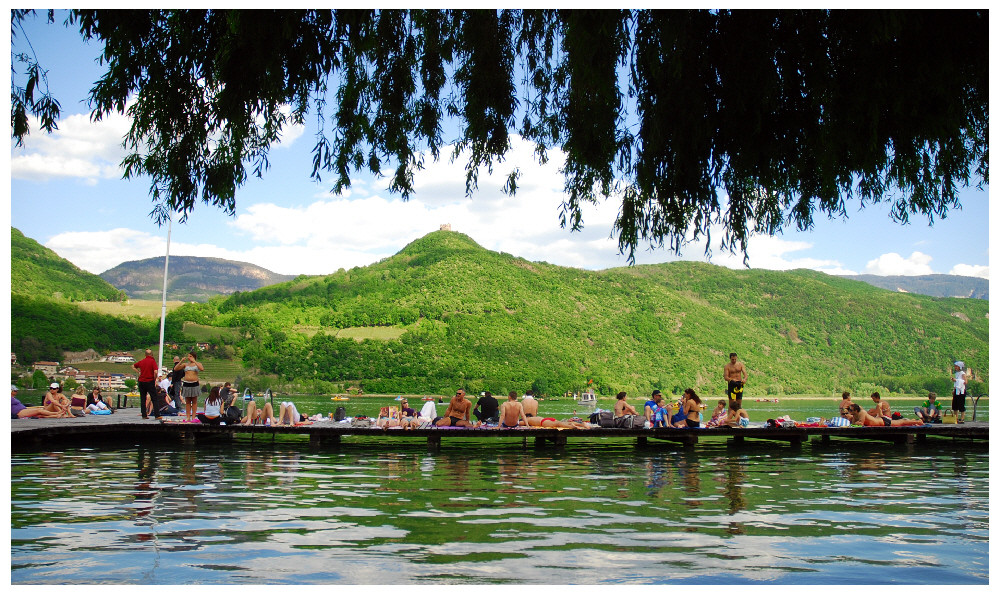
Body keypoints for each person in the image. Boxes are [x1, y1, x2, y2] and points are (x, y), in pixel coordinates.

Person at [174, 351, 204, 421]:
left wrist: (194, 361)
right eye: (188, 356)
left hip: (194, 383)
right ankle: (188, 417)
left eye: (190, 356)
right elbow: (176, 368)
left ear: (194, 357)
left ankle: (193, 416)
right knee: (187, 401)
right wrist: (181, 361)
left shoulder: (198, 364)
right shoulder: (185, 364)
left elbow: (202, 369)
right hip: (187, 383)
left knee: (194, 401)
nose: (189, 358)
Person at [846, 403, 922, 427]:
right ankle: (913, 421)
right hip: (879, 421)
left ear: (856, 410)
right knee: (901, 422)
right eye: (849, 410)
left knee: (901, 422)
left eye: (851, 410)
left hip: (883, 422)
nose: (849, 411)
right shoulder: (855, 415)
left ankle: (919, 422)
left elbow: (861, 423)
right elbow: (854, 424)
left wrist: (855, 423)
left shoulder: (862, 413)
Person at [133, 349, 158, 420]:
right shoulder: (152, 361)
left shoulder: (142, 361)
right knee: (154, 398)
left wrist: (138, 372)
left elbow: (133, 366)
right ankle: (157, 415)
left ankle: (144, 415)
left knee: (143, 398)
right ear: (152, 354)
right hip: (150, 381)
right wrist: (154, 378)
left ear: (145, 355)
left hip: (141, 381)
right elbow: (155, 372)